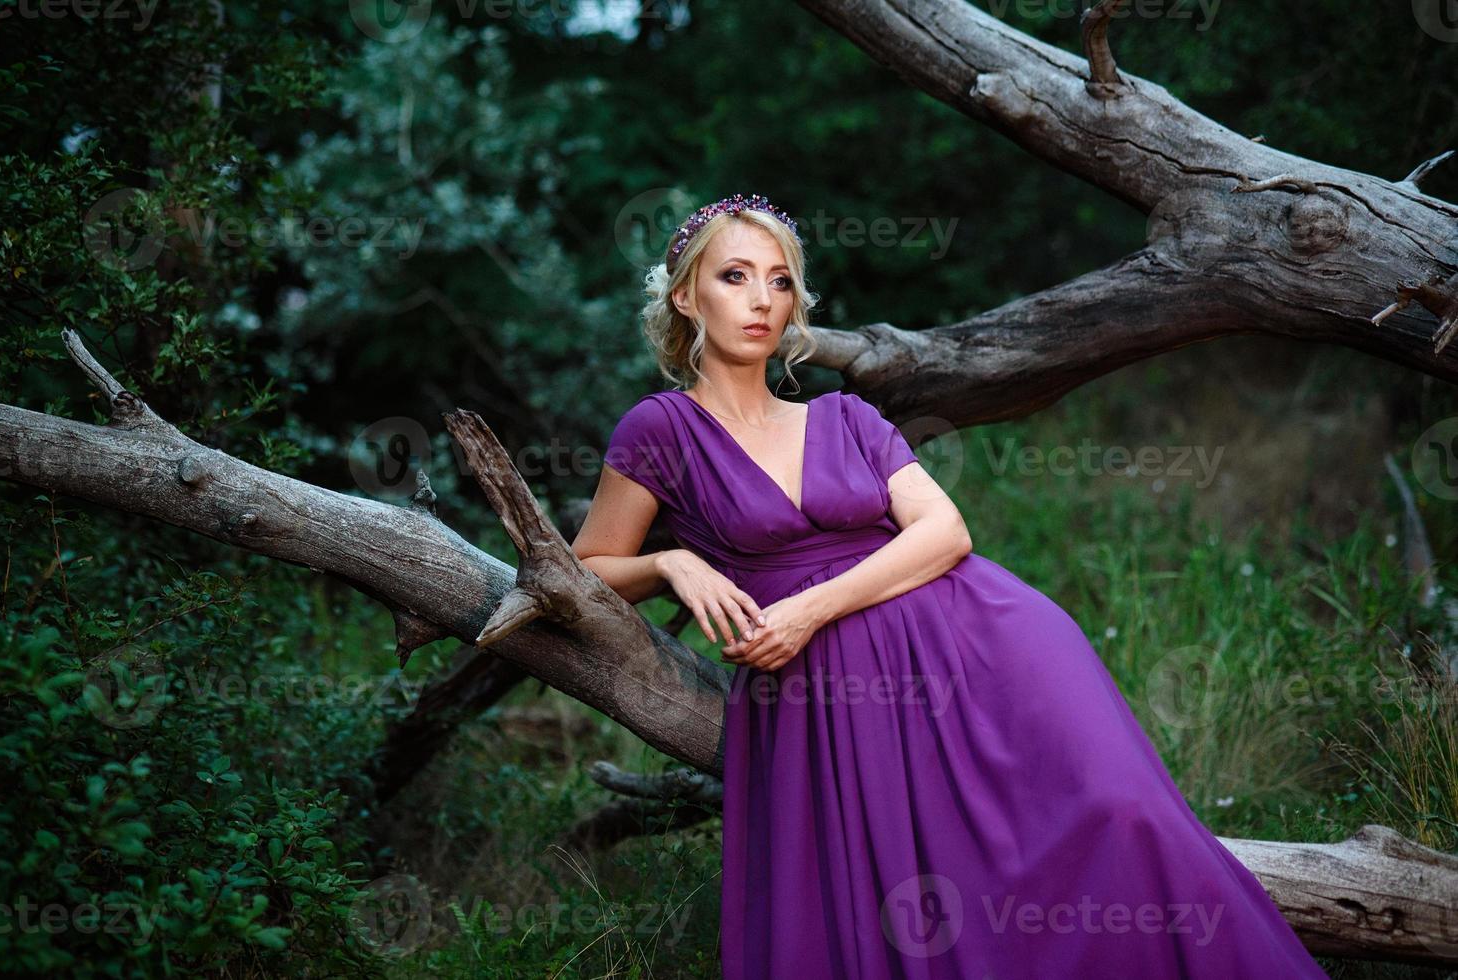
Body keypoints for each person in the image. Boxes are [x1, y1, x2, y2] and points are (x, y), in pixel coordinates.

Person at [570, 193, 1331, 979]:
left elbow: (945, 532)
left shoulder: (846, 417)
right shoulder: (659, 431)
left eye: (781, 281)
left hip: (980, 642)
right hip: (825, 699)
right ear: (688, 295)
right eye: (736, 277)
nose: (763, 300)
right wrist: (672, 563)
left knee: (1123, 811)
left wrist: (806, 610)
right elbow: (588, 567)